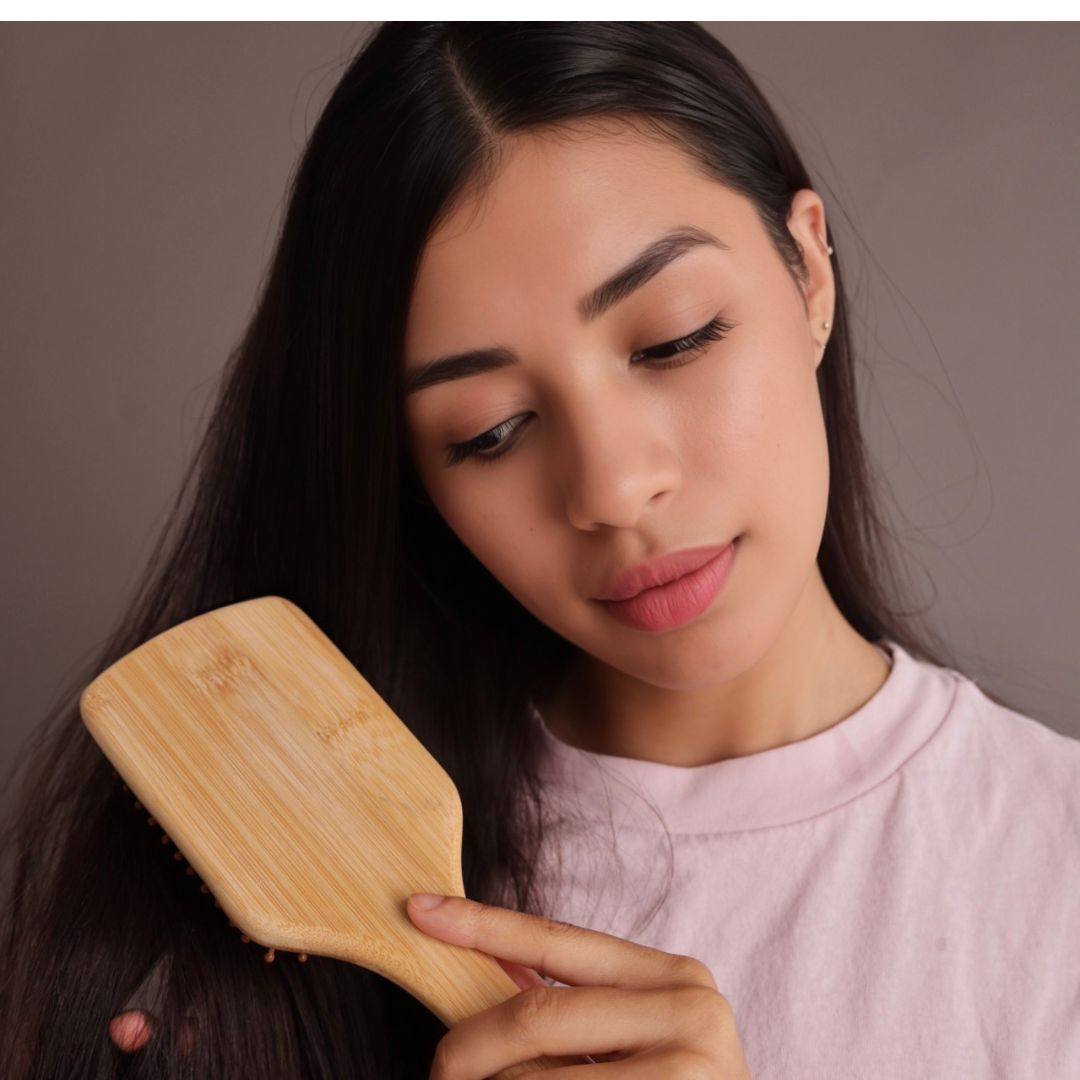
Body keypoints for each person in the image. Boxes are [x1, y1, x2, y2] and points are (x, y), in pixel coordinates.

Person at [1, 21, 1077, 1079]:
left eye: (672, 340)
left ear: (808, 272)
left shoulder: (1052, 875)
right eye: (490, 432)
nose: (613, 490)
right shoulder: (276, 911)